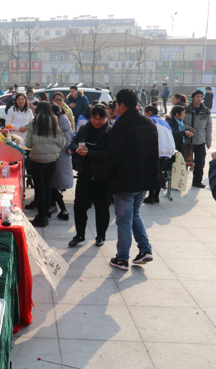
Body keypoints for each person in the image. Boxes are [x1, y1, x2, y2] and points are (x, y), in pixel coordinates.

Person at [105, 89, 159, 270]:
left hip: (125, 181)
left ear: (121, 105)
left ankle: (122, 258)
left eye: (116, 105)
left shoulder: (122, 126)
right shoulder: (149, 123)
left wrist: (108, 177)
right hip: (143, 180)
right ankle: (145, 249)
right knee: (134, 214)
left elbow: (113, 157)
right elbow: (154, 154)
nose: (116, 109)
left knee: (124, 221)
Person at [69, 105, 112, 247]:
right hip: (85, 174)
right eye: (94, 118)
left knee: (102, 208)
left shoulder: (111, 132)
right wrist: (77, 149)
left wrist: (90, 153)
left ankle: (101, 235)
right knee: (79, 206)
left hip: (102, 177)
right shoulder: (85, 128)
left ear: (107, 118)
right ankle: (80, 234)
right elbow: (73, 143)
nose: (97, 121)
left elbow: (110, 154)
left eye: (101, 119)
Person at [25, 102, 65, 227]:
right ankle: (46, 213)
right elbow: (62, 143)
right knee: (48, 188)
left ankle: (41, 217)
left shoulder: (33, 124)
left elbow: (28, 144)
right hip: (52, 161)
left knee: (40, 189)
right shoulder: (55, 123)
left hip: (37, 161)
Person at [143, 105, 176, 203]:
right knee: (158, 172)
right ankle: (156, 196)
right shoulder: (164, 122)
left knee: (152, 173)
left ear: (148, 112)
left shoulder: (149, 120)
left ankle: (151, 196)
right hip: (167, 151)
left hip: (156, 150)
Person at [50, 103, 74, 220]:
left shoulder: (58, 126)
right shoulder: (66, 123)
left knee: (51, 185)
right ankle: (55, 207)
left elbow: (61, 144)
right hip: (64, 159)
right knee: (53, 185)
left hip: (58, 159)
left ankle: (63, 211)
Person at [184, 89, 213, 188]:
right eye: (197, 97)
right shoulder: (186, 109)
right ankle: (180, 182)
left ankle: (197, 181)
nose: (199, 99)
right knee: (183, 162)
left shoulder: (206, 110)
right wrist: (187, 128)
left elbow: (208, 127)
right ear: (192, 98)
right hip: (186, 141)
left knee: (200, 162)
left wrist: (208, 141)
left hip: (200, 140)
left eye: (201, 97)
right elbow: (179, 123)